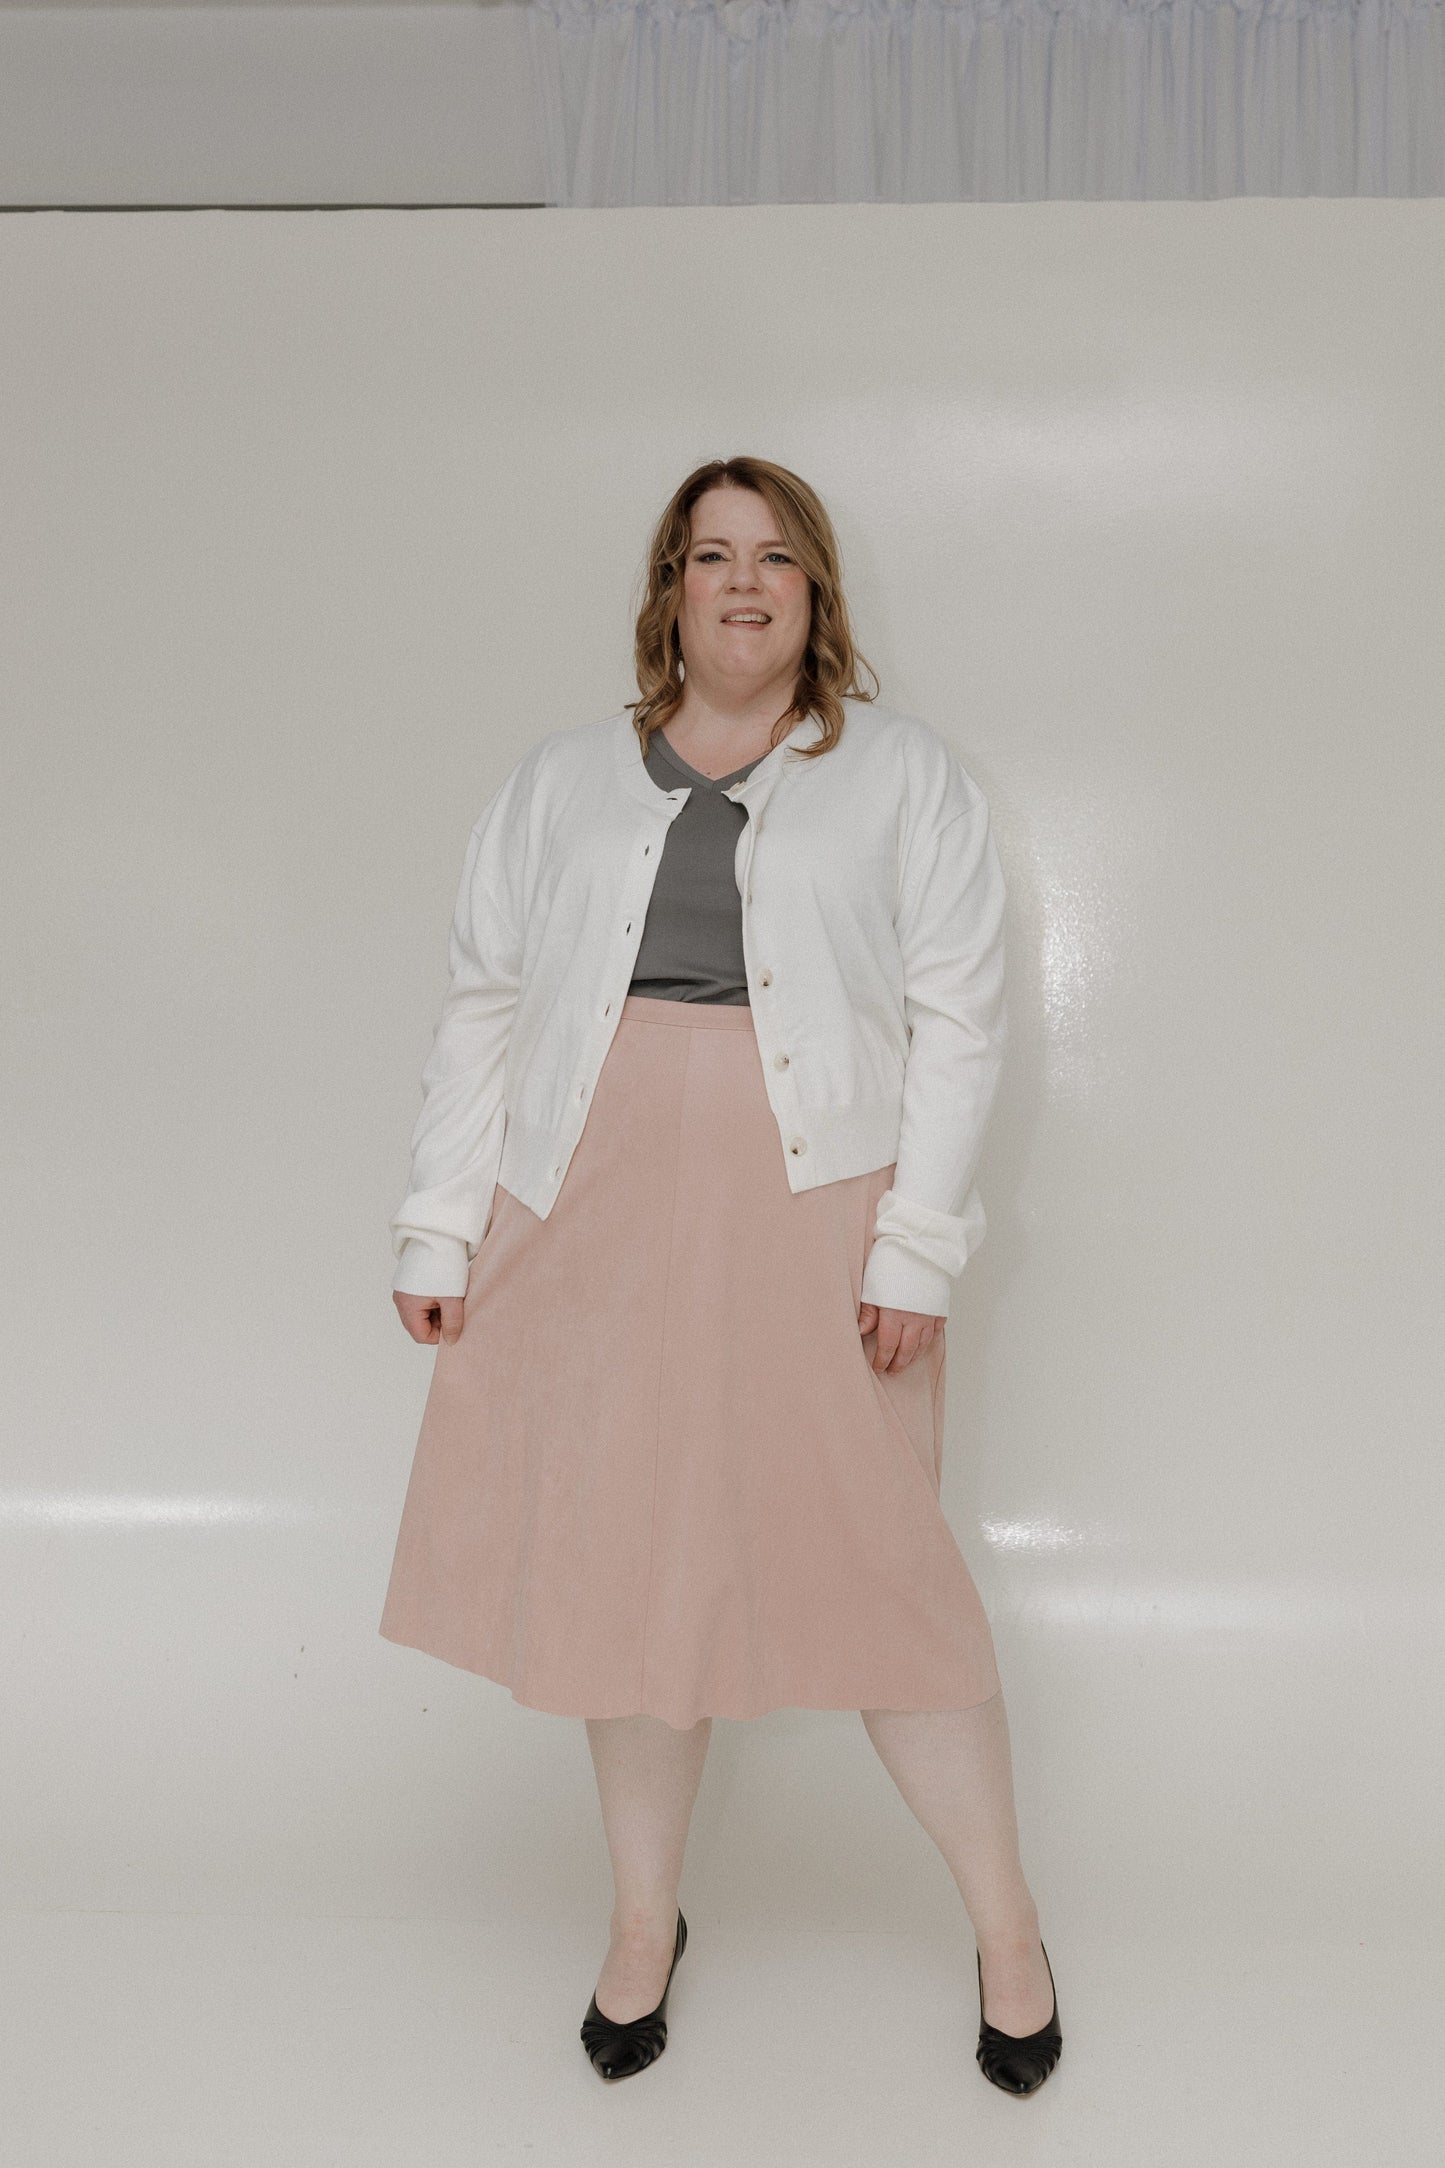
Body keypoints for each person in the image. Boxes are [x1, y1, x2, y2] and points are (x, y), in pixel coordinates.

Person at [378, 455, 1062, 2096]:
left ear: (818, 592)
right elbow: (484, 999)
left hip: (817, 1221)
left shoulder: (903, 779)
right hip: (586, 1215)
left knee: (885, 1582)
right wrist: (437, 1219)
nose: (740, 585)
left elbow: (962, 1020)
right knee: (620, 1581)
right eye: (708, 557)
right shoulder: (557, 781)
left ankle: (1007, 1927)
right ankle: (640, 1922)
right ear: (667, 590)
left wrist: (916, 1250)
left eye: (773, 559)